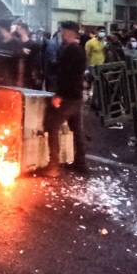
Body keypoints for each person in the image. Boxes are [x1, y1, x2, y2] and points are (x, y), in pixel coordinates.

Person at [40, 21, 88, 177]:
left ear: (69, 33)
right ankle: (81, 163)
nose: (61, 34)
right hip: (77, 95)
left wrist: (59, 94)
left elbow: (67, 75)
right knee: (77, 130)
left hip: (67, 96)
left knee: (52, 125)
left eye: (63, 32)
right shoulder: (79, 49)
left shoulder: (70, 51)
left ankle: (53, 166)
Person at [0, 19, 22, 87]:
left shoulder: (16, 42)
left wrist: (19, 79)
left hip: (11, 78)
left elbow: (20, 62)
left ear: (2, 28)